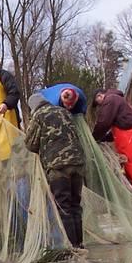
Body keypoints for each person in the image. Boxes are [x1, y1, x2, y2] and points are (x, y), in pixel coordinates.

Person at [24, 93, 85, 248]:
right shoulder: (63, 111)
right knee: (75, 205)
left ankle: (72, 247)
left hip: (58, 166)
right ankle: (80, 243)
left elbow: (30, 144)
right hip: (77, 163)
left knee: (63, 206)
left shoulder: (38, 116)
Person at [91, 89, 132, 203]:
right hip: (131, 141)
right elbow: (119, 126)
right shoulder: (118, 101)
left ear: (100, 96)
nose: (100, 106)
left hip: (131, 143)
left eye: (98, 102)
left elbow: (103, 123)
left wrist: (92, 137)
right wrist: (104, 137)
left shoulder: (110, 100)